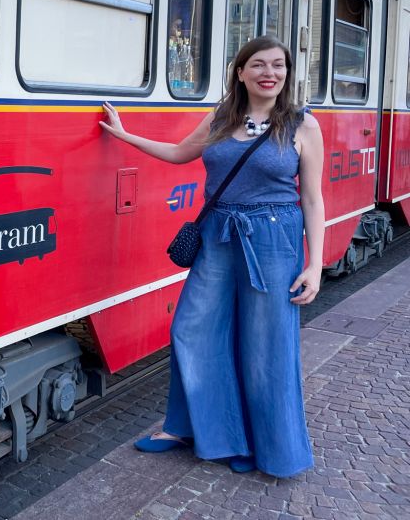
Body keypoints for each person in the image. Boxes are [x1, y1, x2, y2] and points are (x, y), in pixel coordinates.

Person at [99, 35, 324, 478]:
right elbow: (181, 153)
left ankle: (266, 447)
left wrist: (314, 265)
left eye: (278, 65)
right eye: (258, 64)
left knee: (265, 344)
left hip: (273, 238)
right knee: (192, 326)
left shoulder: (301, 124)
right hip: (219, 232)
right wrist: (124, 135)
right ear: (240, 72)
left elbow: (313, 200)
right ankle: (203, 430)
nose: (269, 73)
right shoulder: (223, 116)